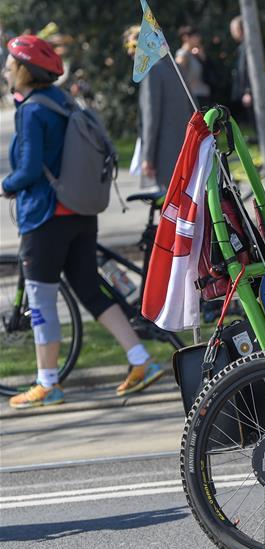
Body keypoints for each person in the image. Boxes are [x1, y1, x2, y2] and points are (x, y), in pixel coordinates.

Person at [2, 35, 163, 409]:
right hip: (80, 214)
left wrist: (6, 185)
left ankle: (47, 383)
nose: (7, 70)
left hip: (45, 218)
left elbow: (27, 170)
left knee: (40, 298)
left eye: (10, 64)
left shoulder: (30, 111)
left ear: (24, 70)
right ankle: (142, 361)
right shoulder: (63, 102)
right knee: (89, 290)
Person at [124, 25, 193, 191]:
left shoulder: (152, 71)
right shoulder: (175, 67)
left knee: (170, 206)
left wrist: (147, 157)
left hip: (165, 155)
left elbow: (151, 118)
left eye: (133, 46)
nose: (129, 53)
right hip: (186, 150)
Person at [176, 25, 211, 107]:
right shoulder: (183, 54)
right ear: (186, 38)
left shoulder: (195, 53)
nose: (199, 38)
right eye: (195, 36)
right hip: (192, 97)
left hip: (202, 95)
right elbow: (177, 75)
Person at [229, 16, 252, 122]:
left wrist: (248, 91)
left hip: (250, 92)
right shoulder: (243, 47)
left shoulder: (248, 47)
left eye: (234, 29)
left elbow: (247, 70)